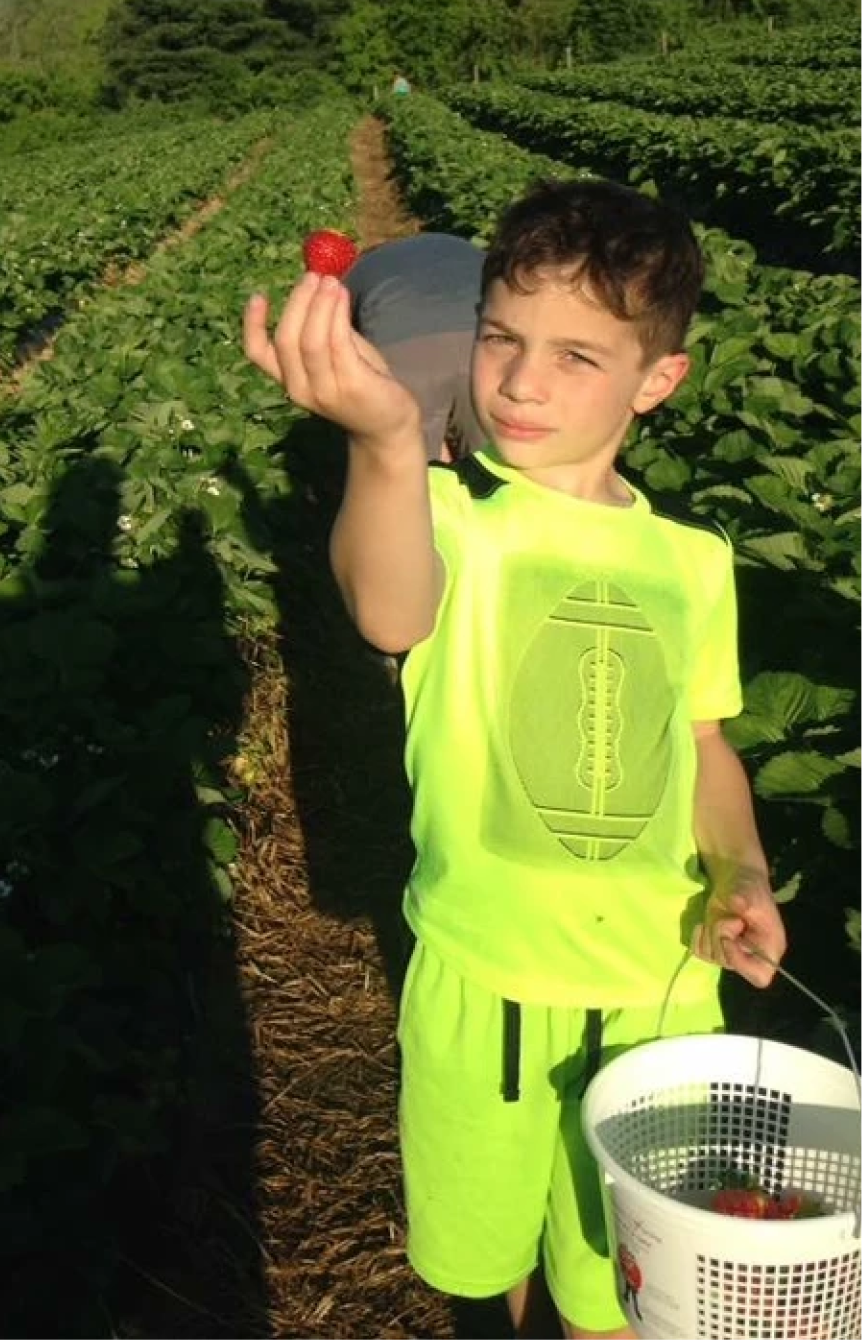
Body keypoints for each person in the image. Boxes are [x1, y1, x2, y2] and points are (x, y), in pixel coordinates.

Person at [244, 176, 786, 1340]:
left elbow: (702, 741)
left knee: (625, 1274)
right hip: (486, 981)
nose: (523, 379)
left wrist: (739, 868)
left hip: (659, 987)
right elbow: (388, 611)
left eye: (579, 355)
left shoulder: (694, 561)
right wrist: (388, 443)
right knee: (490, 1260)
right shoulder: (452, 517)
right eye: (501, 335)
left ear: (660, 378)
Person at [343, 232, 486, 463]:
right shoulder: (460, 246)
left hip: (404, 348)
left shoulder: (359, 269)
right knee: (493, 465)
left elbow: (344, 342)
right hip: (482, 341)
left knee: (414, 468)